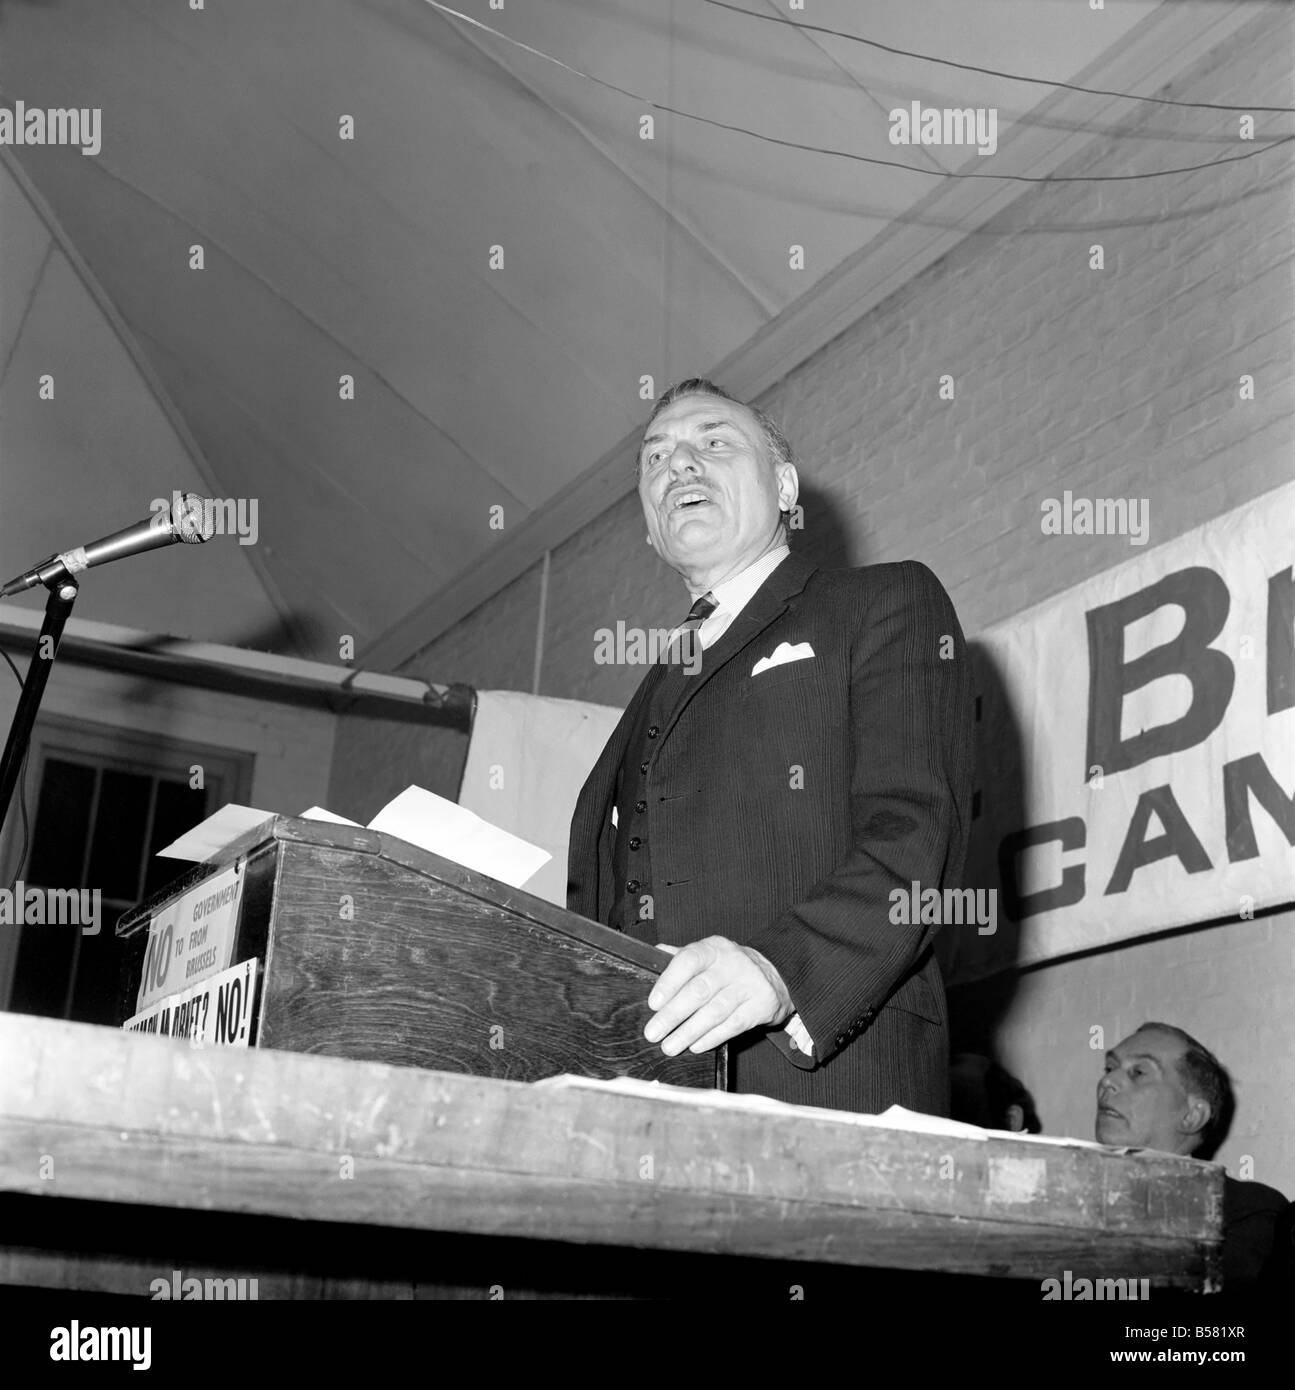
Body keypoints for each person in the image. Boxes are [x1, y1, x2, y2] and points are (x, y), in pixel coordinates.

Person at [567, 378, 975, 1115]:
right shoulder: (654, 688)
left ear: (785, 487)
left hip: (826, 1087)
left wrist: (781, 971)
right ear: (648, 526)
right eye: (655, 458)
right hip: (634, 1103)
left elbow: (918, 832)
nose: (678, 466)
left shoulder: (885, 601)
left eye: (713, 443)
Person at [1095, 1023, 1288, 1288]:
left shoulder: (1243, 1210)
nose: (1107, 1081)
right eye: (1109, 1068)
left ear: (1191, 1116)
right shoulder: (1062, 1194)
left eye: (1138, 1072)